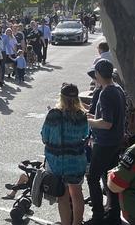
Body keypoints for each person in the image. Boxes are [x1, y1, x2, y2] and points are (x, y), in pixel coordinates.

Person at [85, 59, 126, 225]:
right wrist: (93, 118)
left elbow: (107, 123)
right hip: (116, 141)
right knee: (109, 178)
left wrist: (89, 121)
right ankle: (113, 214)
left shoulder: (106, 92)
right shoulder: (118, 89)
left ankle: (98, 216)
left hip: (105, 142)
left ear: (98, 74)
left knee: (92, 177)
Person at [41, 83, 89, 225]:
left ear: (61, 97)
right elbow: (85, 134)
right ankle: (77, 223)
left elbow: (45, 137)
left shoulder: (54, 114)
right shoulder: (81, 115)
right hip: (76, 160)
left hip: (56, 161)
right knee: (77, 193)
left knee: (62, 196)